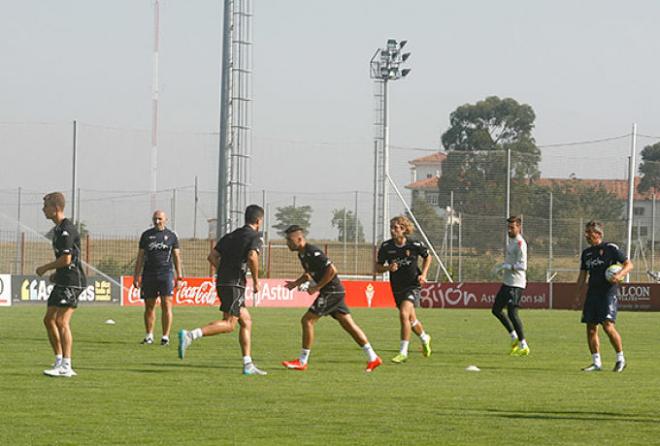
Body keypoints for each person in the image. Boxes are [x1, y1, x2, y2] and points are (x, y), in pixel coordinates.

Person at [178, 205, 267, 376]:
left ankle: (247, 364)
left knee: (246, 321)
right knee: (229, 324)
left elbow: (212, 256)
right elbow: (252, 256)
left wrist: (225, 270)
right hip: (235, 284)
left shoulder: (231, 235)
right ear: (258, 221)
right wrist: (256, 281)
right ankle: (190, 335)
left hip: (223, 282)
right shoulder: (255, 236)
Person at [281, 225, 382, 372]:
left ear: (299, 238)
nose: (288, 243)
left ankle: (302, 361)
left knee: (307, 320)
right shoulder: (302, 254)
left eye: (290, 240)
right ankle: (373, 358)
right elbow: (309, 273)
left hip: (331, 291)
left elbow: (332, 270)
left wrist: (317, 287)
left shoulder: (312, 251)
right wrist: (296, 283)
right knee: (349, 325)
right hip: (334, 292)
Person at [37, 192, 86, 378]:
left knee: (61, 321)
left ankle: (67, 365)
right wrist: (57, 274)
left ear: (56, 208)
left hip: (73, 282)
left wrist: (46, 268)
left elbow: (66, 259)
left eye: (46, 206)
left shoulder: (67, 229)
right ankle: (58, 360)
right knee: (49, 319)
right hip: (63, 280)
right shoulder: (58, 230)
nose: (43, 210)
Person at [575, 220, 632, 372]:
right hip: (592, 293)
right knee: (591, 328)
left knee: (607, 325)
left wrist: (620, 274)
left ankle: (620, 359)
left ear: (598, 234)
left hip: (608, 292)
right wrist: (577, 294)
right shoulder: (586, 253)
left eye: (589, 232)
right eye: (586, 232)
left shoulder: (610, 249)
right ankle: (596, 363)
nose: (586, 235)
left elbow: (629, 264)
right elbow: (582, 275)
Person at [375, 216, 432, 364]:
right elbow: (378, 267)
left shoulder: (414, 244)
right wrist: (388, 268)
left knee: (403, 314)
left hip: (413, 285)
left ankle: (403, 352)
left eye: (396, 227)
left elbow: (428, 257)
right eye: (391, 227)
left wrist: (424, 274)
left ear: (404, 229)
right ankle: (425, 337)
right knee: (411, 320)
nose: (393, 230)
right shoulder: (386, 247)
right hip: (397, 287)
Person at [133, 210, 182, 346]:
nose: (157, 221)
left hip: (166, 274)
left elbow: (176, 257)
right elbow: (140, 257)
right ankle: (149, 335)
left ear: (165, 220)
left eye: (160, 219)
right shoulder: (146, 236)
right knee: (149, 306)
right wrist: (136, 276)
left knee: (167, 304)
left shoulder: (171, 236)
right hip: (149, 274)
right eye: (155, 219)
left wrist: (180, 276)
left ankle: (165, 337)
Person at [492, 216, 530, 356]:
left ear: (519, 227)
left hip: (516, 283)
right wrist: (502, 267)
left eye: (512, 227)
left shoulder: (520, 243)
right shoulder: (511, 242)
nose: (509, 230)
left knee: (512, 313)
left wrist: (507, 266)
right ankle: (514, 338)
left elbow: (523, 265)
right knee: (496, 310)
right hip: (507, 282)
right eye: (508, 227)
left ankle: (524, 344)